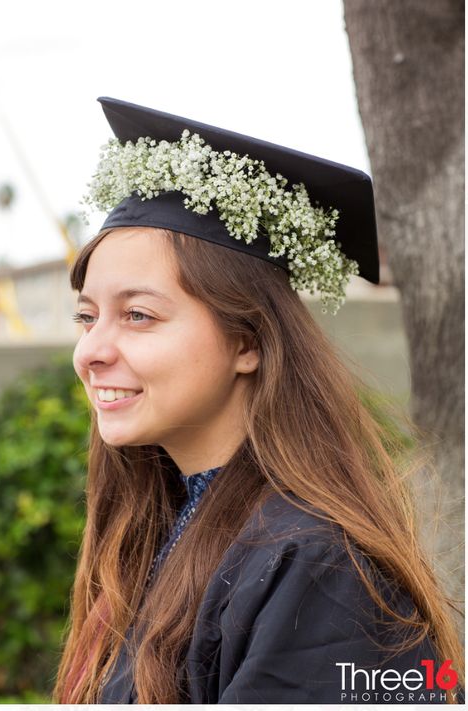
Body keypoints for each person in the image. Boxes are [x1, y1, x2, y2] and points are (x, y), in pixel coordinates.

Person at [53, 97, 463, 704]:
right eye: (87, 317)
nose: (90, 351)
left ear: (247, 340)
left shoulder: (320, 568)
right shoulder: (154, 530)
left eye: (138, 315)